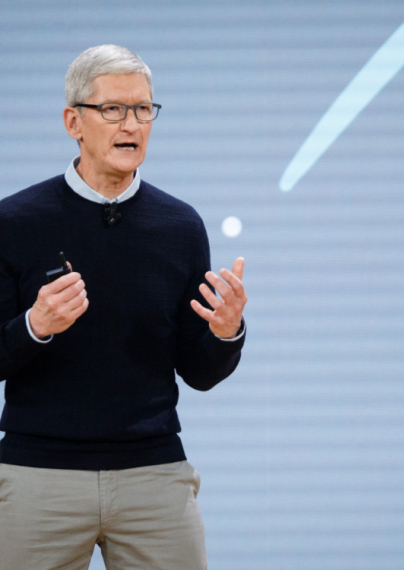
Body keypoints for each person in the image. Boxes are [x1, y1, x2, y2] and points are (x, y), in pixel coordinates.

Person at [0, 44, 247, 569]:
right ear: (73, 121)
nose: (131, 123)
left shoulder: (180, 227)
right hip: (38, 475)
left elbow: (198, 372)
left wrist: (226, 333)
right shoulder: (15, 221)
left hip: (153, 475)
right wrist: (36, 325)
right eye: (113, 108)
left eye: (143, 109)